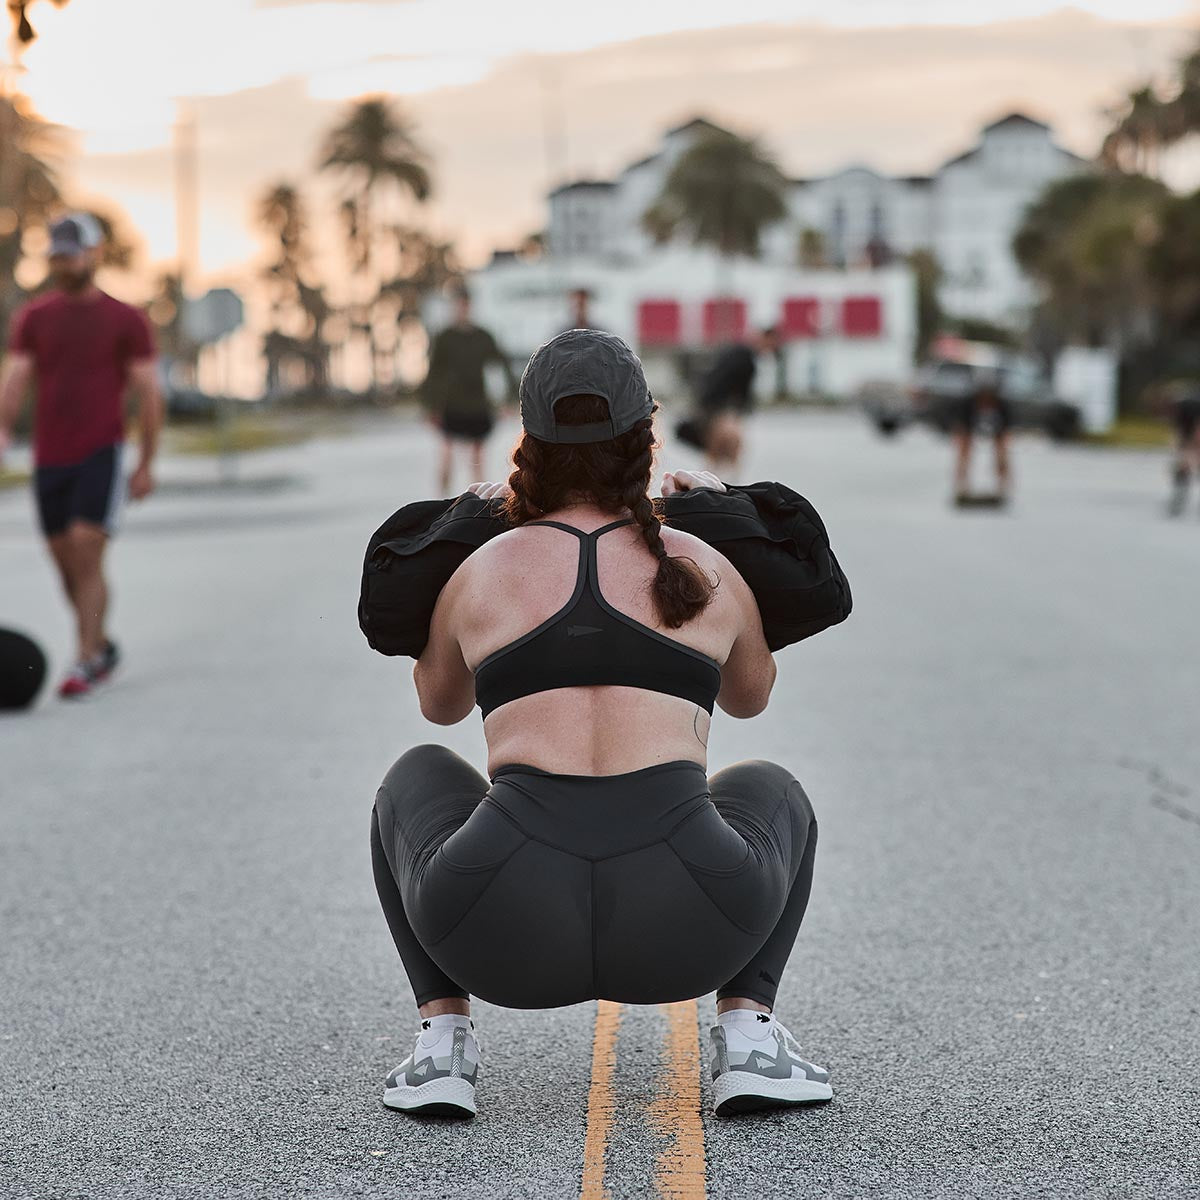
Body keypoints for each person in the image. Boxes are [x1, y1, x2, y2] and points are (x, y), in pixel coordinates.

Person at [370, 328, 830, 1120]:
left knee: (411, 775)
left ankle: (442, 1045)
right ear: (644, 437)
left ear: (528, 444)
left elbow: (438, 706)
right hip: (692, 928)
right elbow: (752, 696)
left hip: (498, 933)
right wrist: (718, 512)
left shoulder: (480, 571)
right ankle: (750, 1036)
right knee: (772, 788)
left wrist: (466, 543)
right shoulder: (702, 564)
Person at [0, 213, 162, 699]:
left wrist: (145, 463)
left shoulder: (125, 319)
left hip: (101, 450)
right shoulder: (35, 317)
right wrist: (3, 430)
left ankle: (86, 658)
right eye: (57, 253)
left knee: (85, 546)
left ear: (94, 254)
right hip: (50, 455)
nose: (63, 261)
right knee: (63, 558)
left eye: (72, 252)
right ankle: (101, 642)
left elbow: (148, 394)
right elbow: (16, 379)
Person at [421, 287, 516, 495]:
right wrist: (430, 406)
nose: (462, 309)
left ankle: (478, 503)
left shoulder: (483, 336)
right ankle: (440, 501)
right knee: (446, 453)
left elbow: (503, 364)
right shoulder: (445, 338)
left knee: (477, 457)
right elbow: (433, 373)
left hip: (477, 403)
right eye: (458, 305)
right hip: (451, 403)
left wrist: (508, 399)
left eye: (465, 305)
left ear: (470, 306)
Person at [692, 326, 779, 476]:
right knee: (729, 443)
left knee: (719, 447)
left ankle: (712, 480)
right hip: (720, 407)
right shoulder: (745, 358)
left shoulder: (740, 353)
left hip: (715, 405)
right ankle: (724, 481)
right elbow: (734, 389)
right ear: (765, 338)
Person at [951, 371, 1013, 506]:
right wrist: (960, 438)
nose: (986, 401)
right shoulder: (969, 404)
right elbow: (961, 427)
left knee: (1002, 453)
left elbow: (1006, 429)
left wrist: (1003, 445)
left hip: (997, 428)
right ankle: (961, 486)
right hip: (971, 426)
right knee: (964, 451)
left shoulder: (1000, 405)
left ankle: (1002, 486)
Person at [1167, 384, 1200, 516]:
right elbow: (1179, 433)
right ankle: (1179, 493)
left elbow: (1197, 432)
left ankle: (1179, 494)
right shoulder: (1181, 409)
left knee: (1189, 461)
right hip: (1188, 429)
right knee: (1183, 464)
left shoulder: (1191, 406)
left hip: (1193, 426)